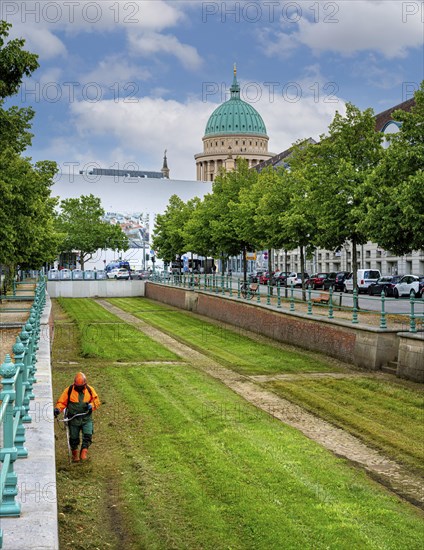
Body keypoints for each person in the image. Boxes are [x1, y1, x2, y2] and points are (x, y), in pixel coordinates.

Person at [54, 372, 100, 462]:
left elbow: (96, 401)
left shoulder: (90, 390)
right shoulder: (69, 390)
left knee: (88, 436)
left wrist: (92, 405)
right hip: (73, 419)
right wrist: (57, 409)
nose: (79, 388)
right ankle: (75, 455)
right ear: (74, 384)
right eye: (77, 386)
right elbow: (62, 402)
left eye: (81, 386)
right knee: (74, 438)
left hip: (86, 418)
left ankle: (83, 453)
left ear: (85, 384)